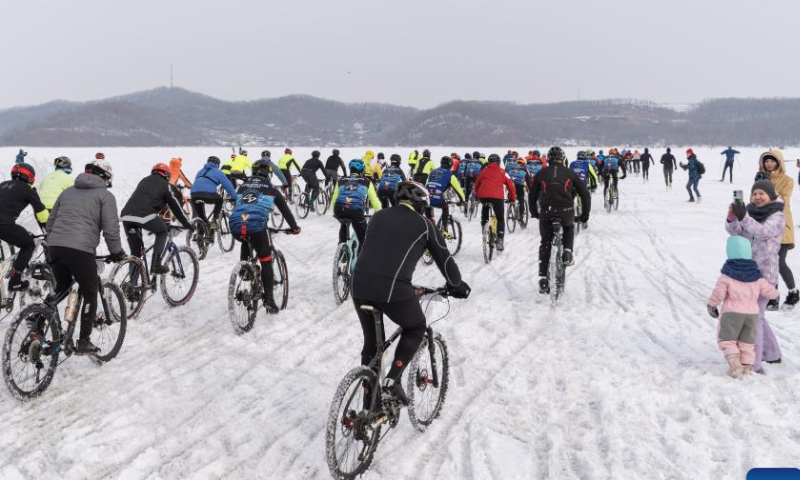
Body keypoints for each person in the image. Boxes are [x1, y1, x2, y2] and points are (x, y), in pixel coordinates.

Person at [351, 180, 470, 404]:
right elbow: (445, 261)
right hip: (392, 288)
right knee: (416, 326)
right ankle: (392, 380)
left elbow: (383, 252)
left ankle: (370, 402)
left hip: (359, 285)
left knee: (372, 343)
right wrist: (457, 285)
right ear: (421, 203)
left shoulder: (378, 216)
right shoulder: (424, 224)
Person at [45, 159, 124, 354]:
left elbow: (51, 222)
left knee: (62, 286)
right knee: (90, 291)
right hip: (80, 250)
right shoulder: (105, 196)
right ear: (104, 177)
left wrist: (55, 240)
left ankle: (38, 319)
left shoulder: (67, 191)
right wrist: (116, 252)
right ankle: (84, 341)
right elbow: (111, 229)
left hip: (55, 246)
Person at [725, 180, 785, 372]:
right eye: (755, 194)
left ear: (771, 196)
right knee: (758, 316)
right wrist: (733, 217)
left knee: (754, 318)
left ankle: (754, 363)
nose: (757, 197)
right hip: (748, 272)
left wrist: (744, 217)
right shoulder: (749, 212)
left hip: (765, 275)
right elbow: (736, 232)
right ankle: (772, 353)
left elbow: (763, 232)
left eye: (762, 194)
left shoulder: (777, 215)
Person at [230, 160, 301, 313]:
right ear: (268, 174)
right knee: (266, 261)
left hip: (235, 226)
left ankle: (245, 268)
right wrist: (294, 227)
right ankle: (269, 300)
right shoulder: (271, 188)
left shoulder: (242, 187)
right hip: (257, 227)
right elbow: (285, 210)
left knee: (246, 237)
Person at [707, 236, 778, 378]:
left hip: (732, 314)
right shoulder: (756, 275)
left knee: (727, 340)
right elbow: (769, 291)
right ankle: (746, 367)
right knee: (747, 342)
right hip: (751, 315)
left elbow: (719, 293)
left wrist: (712, 305)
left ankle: (735, 364)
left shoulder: (727, 275)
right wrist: (775, 294)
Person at [529, 147, 591, 294]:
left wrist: (534, 212)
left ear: (549, 159)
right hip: (566, 211)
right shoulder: (570, 173)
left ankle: (543, 279)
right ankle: (568, 251)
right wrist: (584, 215)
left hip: (547, 211)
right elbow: (585, 195)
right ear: (562, 159)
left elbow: (532, 195)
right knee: (569, 227)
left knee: (545, 242)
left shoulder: (541, 173)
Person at [120, 164, 194, 274]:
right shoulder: (165, 185)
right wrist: (187, 223)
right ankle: (156, 265)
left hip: (126, 216)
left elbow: (146, 199)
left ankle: (132, 286)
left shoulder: (144, 181)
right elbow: (175, 206)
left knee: (135, 254)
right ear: (166, 175)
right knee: (162, 231)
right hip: (144, 215)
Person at [756, 150, 797, 309]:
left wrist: (768, 187)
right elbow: (756, 201)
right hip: (765, 228)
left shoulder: (787, 180)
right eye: (766, 161)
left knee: (779, 262)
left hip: (782, 228)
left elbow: (782, 202)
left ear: (779, 162)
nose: (769, 164)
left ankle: (793, 292)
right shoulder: (760, 178)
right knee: (768, 264)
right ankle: (773, 296)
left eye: (772, 161)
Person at [0, 163, 49, 291]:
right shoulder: (28, 189)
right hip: (4, 225)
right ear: (30, 177)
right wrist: (48, 231)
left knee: (22, 234)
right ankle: (15, 282)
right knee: (28, 245)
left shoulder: (2, 185)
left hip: (4, 225)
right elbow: (42, 214)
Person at [331, 159, 382, 250]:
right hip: (355, 210)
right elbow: (374, 200)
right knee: (363, 236)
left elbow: (334, 198)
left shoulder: (341, 180)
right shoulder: (366, 181)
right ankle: (361, 255)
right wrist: (380, 213)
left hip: (339, 209)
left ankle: (342, 248)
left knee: (343, 223)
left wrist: (334, 211)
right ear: (362, 170)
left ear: (350, 169)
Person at [474, 153, 516, 251]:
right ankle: (500, 240)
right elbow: (511, 186)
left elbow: (476, 185)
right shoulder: (502, 171)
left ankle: (484, 229)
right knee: (500, 218)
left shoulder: (483, 171)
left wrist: (477, 195)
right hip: (497, 197)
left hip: (483, 196)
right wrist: (512, 199)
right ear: (498, 162)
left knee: (485, 210)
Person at [190, 156, 238, 239]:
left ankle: (200, 236)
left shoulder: (200, 171)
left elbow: (198, 184)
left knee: (202, 217)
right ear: (218, 165)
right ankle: (214, 221)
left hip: (194, 195)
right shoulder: (218, 172)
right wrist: (235, 197)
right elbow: (228, 186)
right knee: (219, 200)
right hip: (208, 194)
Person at [426, 156, 466, 234]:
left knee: (429, 217)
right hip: (437, 199)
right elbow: (458, 189)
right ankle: (445, 230)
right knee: (445, 207)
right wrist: (463, 200)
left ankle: (430, 227)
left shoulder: (432, 171)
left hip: (426, 198)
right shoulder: (450, 174)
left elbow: (427, 184)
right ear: (450, 165)